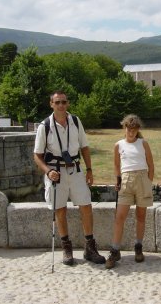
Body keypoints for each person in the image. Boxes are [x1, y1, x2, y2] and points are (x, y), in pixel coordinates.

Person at [33, 90, 105, 266]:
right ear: (51, 104)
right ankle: (66, 248)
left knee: (86, 206)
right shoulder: (45, 126)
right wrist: (48, 171)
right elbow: (37, 155)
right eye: (57, 102)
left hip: (75, 170)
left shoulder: (75, 121)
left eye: (63, 102)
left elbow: (85, 147)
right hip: (56, 172)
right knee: (60, 210)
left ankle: (90, 248)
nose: (61, 105)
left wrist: (89, 170)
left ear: (68, 103)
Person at [105, 114, 155, 269]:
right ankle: (115, 250)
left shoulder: (143, 143)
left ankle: (138, 246)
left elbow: (151, 165)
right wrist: (118, 179)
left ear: (137, 129)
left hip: (142, 178)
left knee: (141, 216)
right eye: (128, 128)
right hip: (126, 180)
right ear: (124, 128)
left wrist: (148, 181)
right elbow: (116, 165)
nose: (131, 132)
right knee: (120, 217)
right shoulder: (118, 145)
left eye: (134, 129)